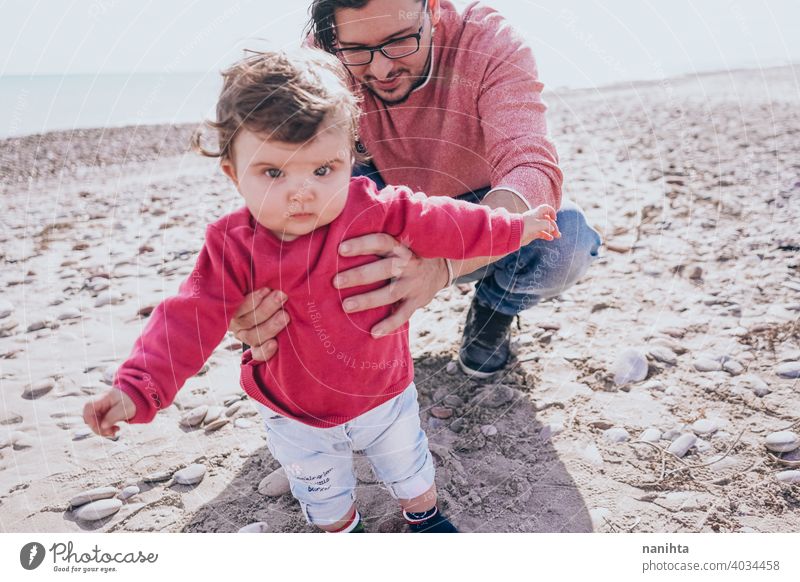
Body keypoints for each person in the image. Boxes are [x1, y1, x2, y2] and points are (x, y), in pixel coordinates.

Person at [82, 47, 560, 533]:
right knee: (323, 492)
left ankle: (424, 516)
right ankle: (342, 528)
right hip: (296, 412)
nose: (301, 191)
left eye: (322, 169)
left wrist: (513, 227)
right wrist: (137, 389)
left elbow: (448, 220)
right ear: (232, 171)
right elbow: (185, 319)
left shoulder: (375, 207)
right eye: (273, 172)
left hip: (385, 393)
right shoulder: (232, 245)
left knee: (410, 466)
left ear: (351, 158)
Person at [229, 0, 603, 378]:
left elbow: (530, 166)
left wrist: (443, 267)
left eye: (400, 41)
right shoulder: (324, 58)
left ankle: (493, 311)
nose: (382, 68)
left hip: (482, 203)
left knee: (565, 241)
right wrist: (255, 290)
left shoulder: (488, 41)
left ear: (434, 11)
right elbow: (282, 172)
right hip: (388, 204)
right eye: (358, 51)